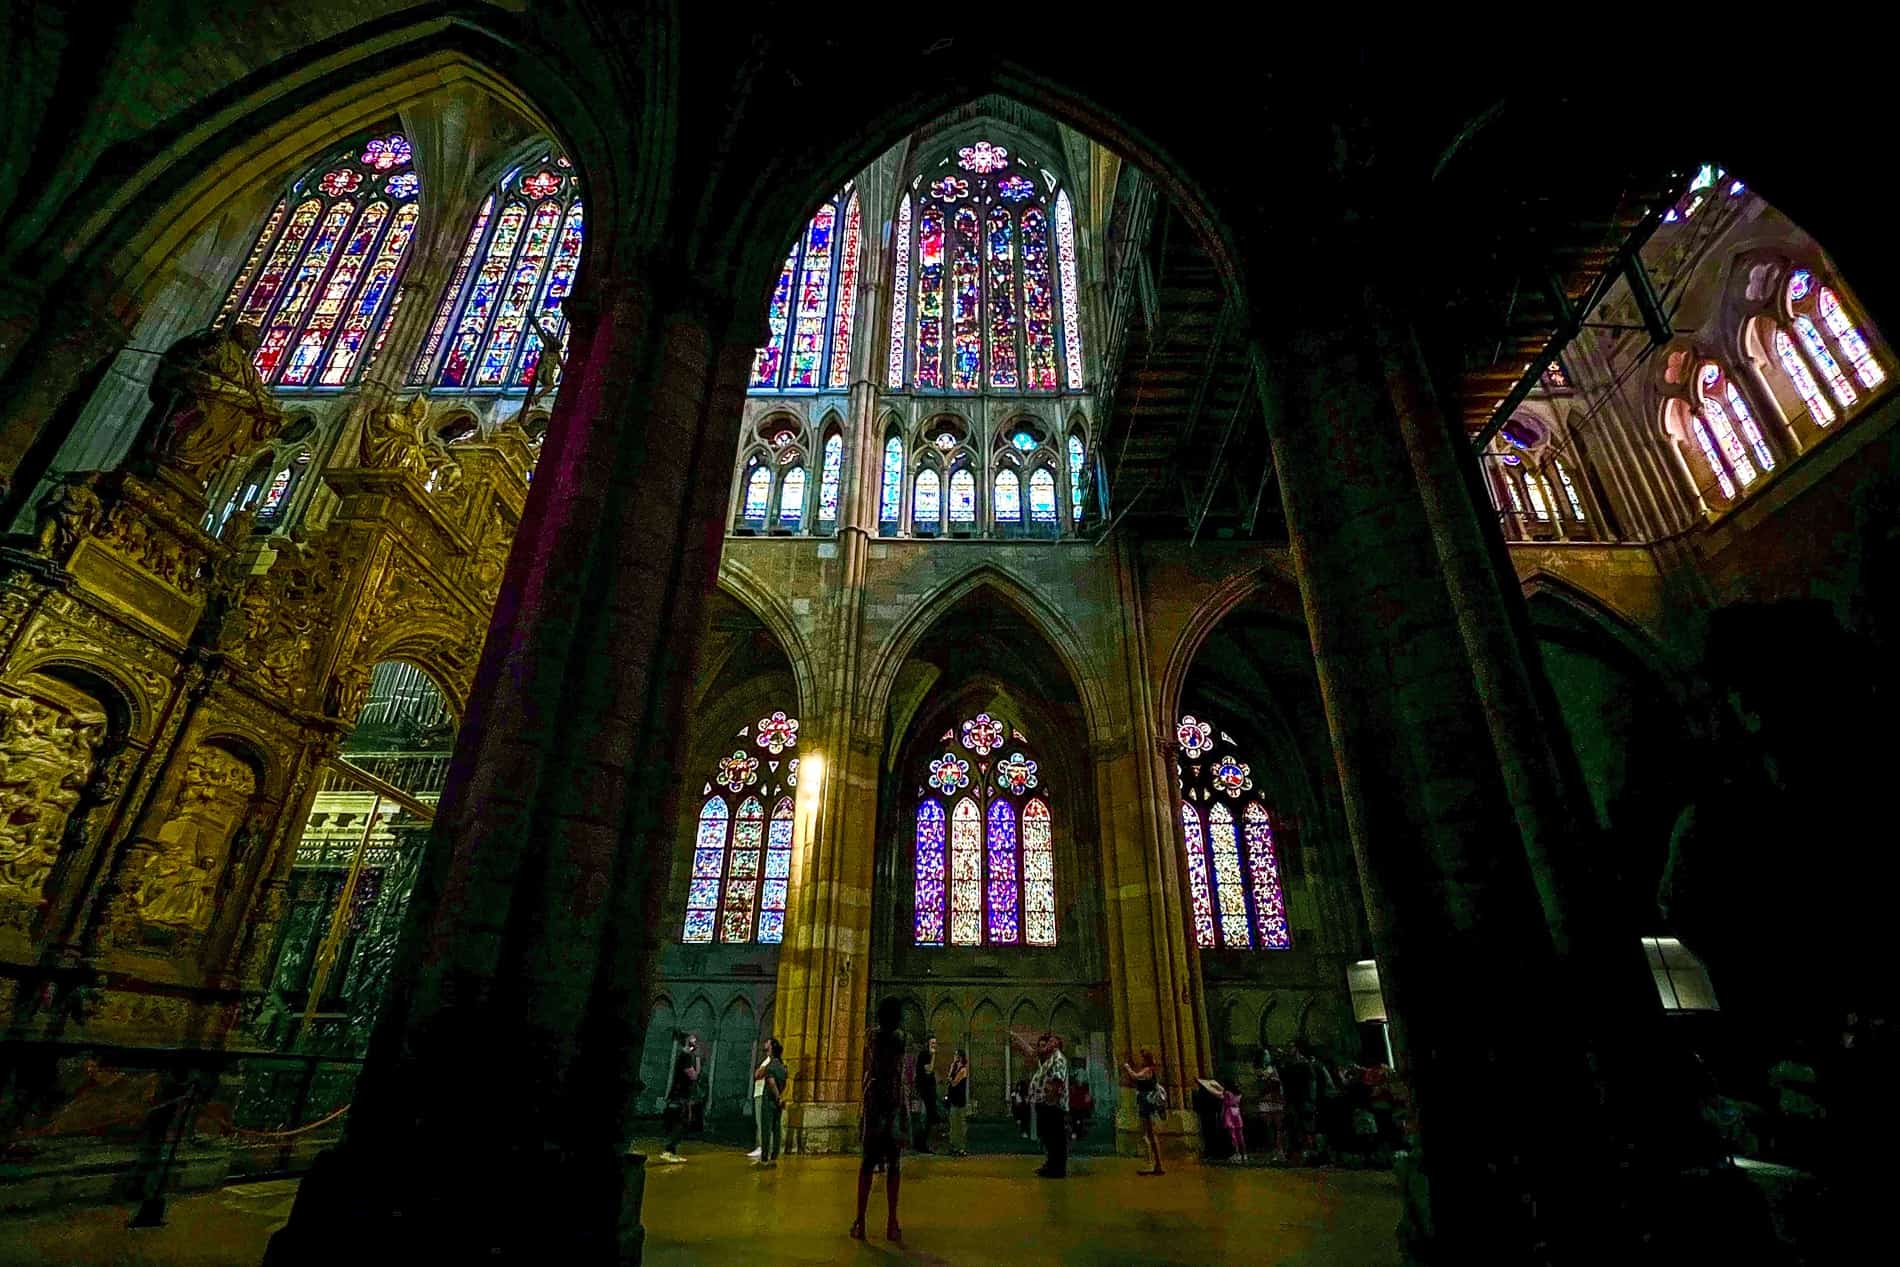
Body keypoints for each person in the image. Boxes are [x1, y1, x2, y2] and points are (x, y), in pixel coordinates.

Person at [852, 997, 909, 1242]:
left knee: (867, 1164)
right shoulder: (899, 1039)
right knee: (894, 1166)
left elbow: (868, 1064)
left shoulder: (872, 1038)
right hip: (892, 1104)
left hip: (875, 1102)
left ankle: (860, 1221)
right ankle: (892, 1221)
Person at [1025, 1031, 1069, 1178]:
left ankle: (1057, 1168)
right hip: (1045, 1104)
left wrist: (1051, 1101)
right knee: (1049, 1137)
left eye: (1051, 1041)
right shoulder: (1050, 1059)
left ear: (1056, 1045)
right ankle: (1051, 1164)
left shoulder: (1058, 1059)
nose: (1047, 1043)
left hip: (1053, 1105)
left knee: (1055, 1137)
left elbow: (1057, 1081)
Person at [658, 1032, 700, 1163]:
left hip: (680, 1094)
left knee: (681, 1120)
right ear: (688, 1042)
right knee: (682, 1121)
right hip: (681, 1095)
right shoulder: (686, 1056)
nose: (695, 1042)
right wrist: (697, 1062)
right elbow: (693, 1075)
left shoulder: (684, 1055)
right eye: (693, 1040)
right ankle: (668, 1150)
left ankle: (671, 1151)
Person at [1122, 1049, 1165, 1175]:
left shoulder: (1148, 1070)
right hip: (1146, 1101)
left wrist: (1127, 1067)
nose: (1139, 1060)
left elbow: (1136, 1077)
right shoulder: (1150, 1070)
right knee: (1150, 1134)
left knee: (1147, 1133)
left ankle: (1152, 1163)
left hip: (1146, 1103)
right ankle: (1156, 1164)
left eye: (1141, 1058)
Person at [758, 1038, 789, 1167]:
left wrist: (778, 1097)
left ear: (771, 1049)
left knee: (766, 1129)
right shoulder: (783, 1067)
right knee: (776, 1130)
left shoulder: (770, 1067)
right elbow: (785, 1083)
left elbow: (771, 1083)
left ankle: (764, 1158)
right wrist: (782, 1098)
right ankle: (774, 1157)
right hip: (778, 1103)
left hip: (770, 1100)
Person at [749, 1039, 776, 1160]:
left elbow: (759, 1074)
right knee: (759, 1121)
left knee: (762, 1121)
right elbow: (756, 1074)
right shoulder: (766, 1060)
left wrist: (760, 1072)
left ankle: (762, 1147)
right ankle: (760, 1146)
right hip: (758, 1092)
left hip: (762, 1093)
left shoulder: (771, 1061)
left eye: (767, 1043)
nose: (764, 1045)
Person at [914, 1035, 939, 1153]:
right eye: (932, 1043)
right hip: (924, 1092)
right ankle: (921, 1145)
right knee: (925, 1118)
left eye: (935, 1043)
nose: (934, 1045)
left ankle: (924, 1144)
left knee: (929, 1118)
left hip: (928, 1091)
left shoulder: (927, 1055)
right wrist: (934, 1055)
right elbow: (929, 1070)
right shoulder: (925, 1055)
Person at [946, 1047, 971, 1156]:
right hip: (953, 1099)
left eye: (956, 1055)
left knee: (961, 1125)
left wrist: (951, 1079)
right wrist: (952, 1068)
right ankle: (954, 1146)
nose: (954, 1057)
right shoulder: (954, 1067)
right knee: (953, 1125)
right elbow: (949, 1078)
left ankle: (961, 1147)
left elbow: (954, 1082)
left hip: (960, 1100)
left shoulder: (963, 1069)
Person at [1221, 1082, 1248, 1163]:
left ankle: (1237, 1154)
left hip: (1229, 1112)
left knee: (1233, 1136)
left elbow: (1225, 1104)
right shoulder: (1239, 1094)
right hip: (1237, 1111)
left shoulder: (1227, 1093)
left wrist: (1222, 1114)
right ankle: (1244, 1154)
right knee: (1240, 1135)